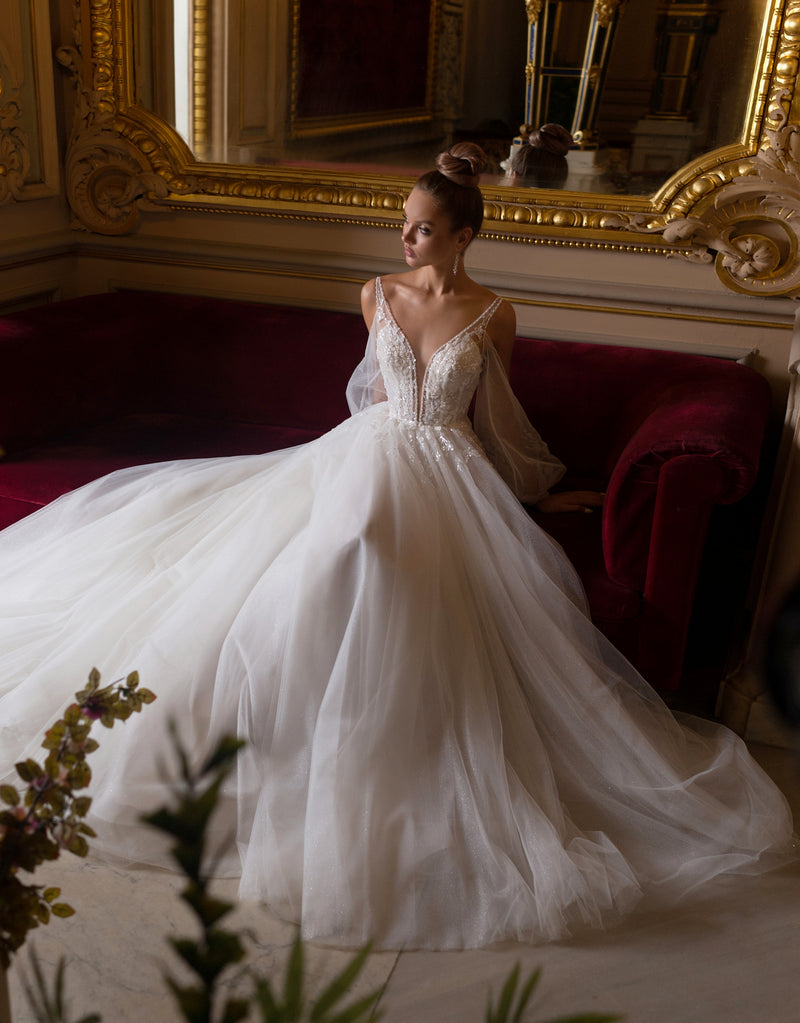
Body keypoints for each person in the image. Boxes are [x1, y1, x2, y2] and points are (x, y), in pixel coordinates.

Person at [0, 144, 795, 951]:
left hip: (449, 468)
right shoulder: (376, 294)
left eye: (421, 231)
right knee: (341, 545)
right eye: (404, 227)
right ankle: (282, 733)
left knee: (385, 562)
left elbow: (496, 421)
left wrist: (535, 489)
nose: (405, 241)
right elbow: (369, 396)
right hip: (366, 451)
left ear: (462, 237)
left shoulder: (493, 313)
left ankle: (376, 748)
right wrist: (355, 461)